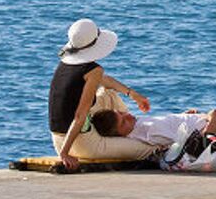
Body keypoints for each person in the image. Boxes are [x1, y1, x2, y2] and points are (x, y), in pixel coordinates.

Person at [48, 18, 157, 171]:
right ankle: (129, 132)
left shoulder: (65, 64)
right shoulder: (93, 71)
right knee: (150, 148)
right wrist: (64, 154)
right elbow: (79, 116)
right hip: (82, 144)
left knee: (107, 93)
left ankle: (128, 125)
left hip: (58, 139)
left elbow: (105, 82)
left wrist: (133, 94)